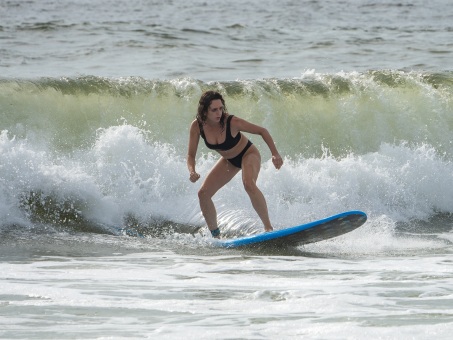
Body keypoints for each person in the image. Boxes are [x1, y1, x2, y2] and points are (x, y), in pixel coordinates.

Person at [187, 90, 283, 238]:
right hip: (229, 161)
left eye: (221, 108)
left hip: (248, 154)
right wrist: (192, 171)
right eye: (214, 110)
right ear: (204, 111)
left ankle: (269, 229)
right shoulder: (197, 126)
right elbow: (191, 154)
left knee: (248, 184)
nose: (219, 113)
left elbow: (262, 131)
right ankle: (216, 236)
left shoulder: (231, 122)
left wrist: (275, 154)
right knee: (203, 194)